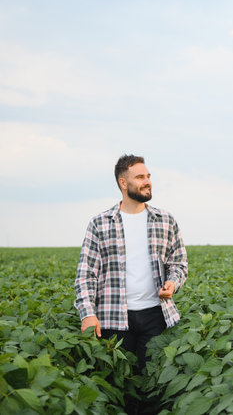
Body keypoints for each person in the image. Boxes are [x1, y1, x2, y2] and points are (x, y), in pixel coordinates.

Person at [74, 154, 188, 371]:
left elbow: (178, 263)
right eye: (140, 177)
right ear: (123, 183)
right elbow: (86, 275)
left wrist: (173, 283)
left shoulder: (165, 220)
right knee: (120, 380)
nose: (147, 181)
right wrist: (88, 314)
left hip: (156, 314)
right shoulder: (100, 223)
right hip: (113, 317)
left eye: (148, 176)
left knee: (151, 379)